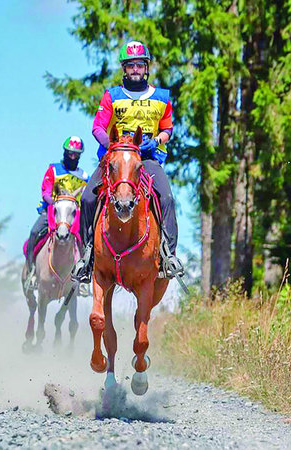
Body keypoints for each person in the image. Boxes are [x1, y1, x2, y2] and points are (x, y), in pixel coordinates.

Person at [72, 40, 184, 284]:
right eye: (130, 65)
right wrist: (113, 146)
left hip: (146, 160)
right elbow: (98, 127)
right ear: (124, 69)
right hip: (116, 159)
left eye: (139, 65)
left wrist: (155, 141)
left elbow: (167, 129)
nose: (135, 70)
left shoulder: (162, 97)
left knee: (167, 198)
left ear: (146, 68)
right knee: (88, 198)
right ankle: (87, 255)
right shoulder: (112, 95)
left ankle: (168, 255)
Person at [24, 137, 89, 288]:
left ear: (79, 156)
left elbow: (87, 196)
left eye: (76, 154)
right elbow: (46, 191)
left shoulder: (85, 176)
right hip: (53, 211)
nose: (72, 157)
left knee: (87, 241)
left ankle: (83, 279)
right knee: (34, 233)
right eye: (70, 153)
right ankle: (32, 270)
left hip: (74, 216)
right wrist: (56, 204)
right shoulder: (53, 169)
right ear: (65, 152)